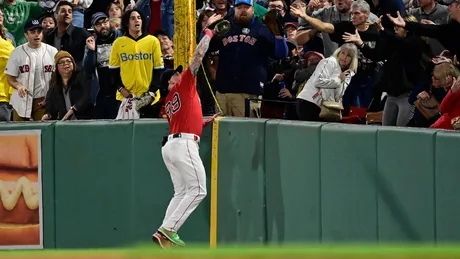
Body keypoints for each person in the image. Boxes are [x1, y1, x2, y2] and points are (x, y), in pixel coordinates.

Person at [151, 13, 223, 249]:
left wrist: (203, 122)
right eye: (174, 74)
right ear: (170, 83)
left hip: (172, 145)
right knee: (199, 190)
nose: (178, 73)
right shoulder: (182, 86)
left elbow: (185, 120)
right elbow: (199, 56)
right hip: (183, 145)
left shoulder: (170, 101)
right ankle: (167, 230)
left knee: (181, 192)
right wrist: (209, 32)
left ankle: (165, 232)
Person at [109, 9, 164, 118]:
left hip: (150, 99)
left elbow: (158, 70)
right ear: (127, 22)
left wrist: (151, 93)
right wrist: (121, 89)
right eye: (132, 18)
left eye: (139, 18)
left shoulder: (153, 41)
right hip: (126, 98)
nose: (136, 20)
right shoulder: (118, 43)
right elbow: (113, 71)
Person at [5, 19, 58, 121]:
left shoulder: (52, 51)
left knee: (43, 133)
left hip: (43, 100)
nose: (37, 35)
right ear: (26, 35)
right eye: (33, 32)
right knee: (20, 134)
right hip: (21, 100)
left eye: (39, 32)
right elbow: (10, 77)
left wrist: (52, 97)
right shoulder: (16, 53)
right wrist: (18, 86)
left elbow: (57, 77)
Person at [296, 43, 358, 121]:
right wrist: (338, 80)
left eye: (348, 56)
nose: (344, 57)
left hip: (325, 107)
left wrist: (338, 109)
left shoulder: (348, 74)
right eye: (343, 53)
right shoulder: (330, 61)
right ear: (339, 52)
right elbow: (317, 81)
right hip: (309, 102)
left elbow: (338, 95)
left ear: (352, 59)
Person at [42, 51, 92, 121]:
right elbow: (50, 104)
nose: (66, 63)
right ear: (57, 67)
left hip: (84, 120)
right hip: (65, 123)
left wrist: (74, 109)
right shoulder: (54, 84)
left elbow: (87, 96)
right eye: (62, 62)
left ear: (73, 63)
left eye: (68, 61)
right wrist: (48, 115)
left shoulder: (82, 76)